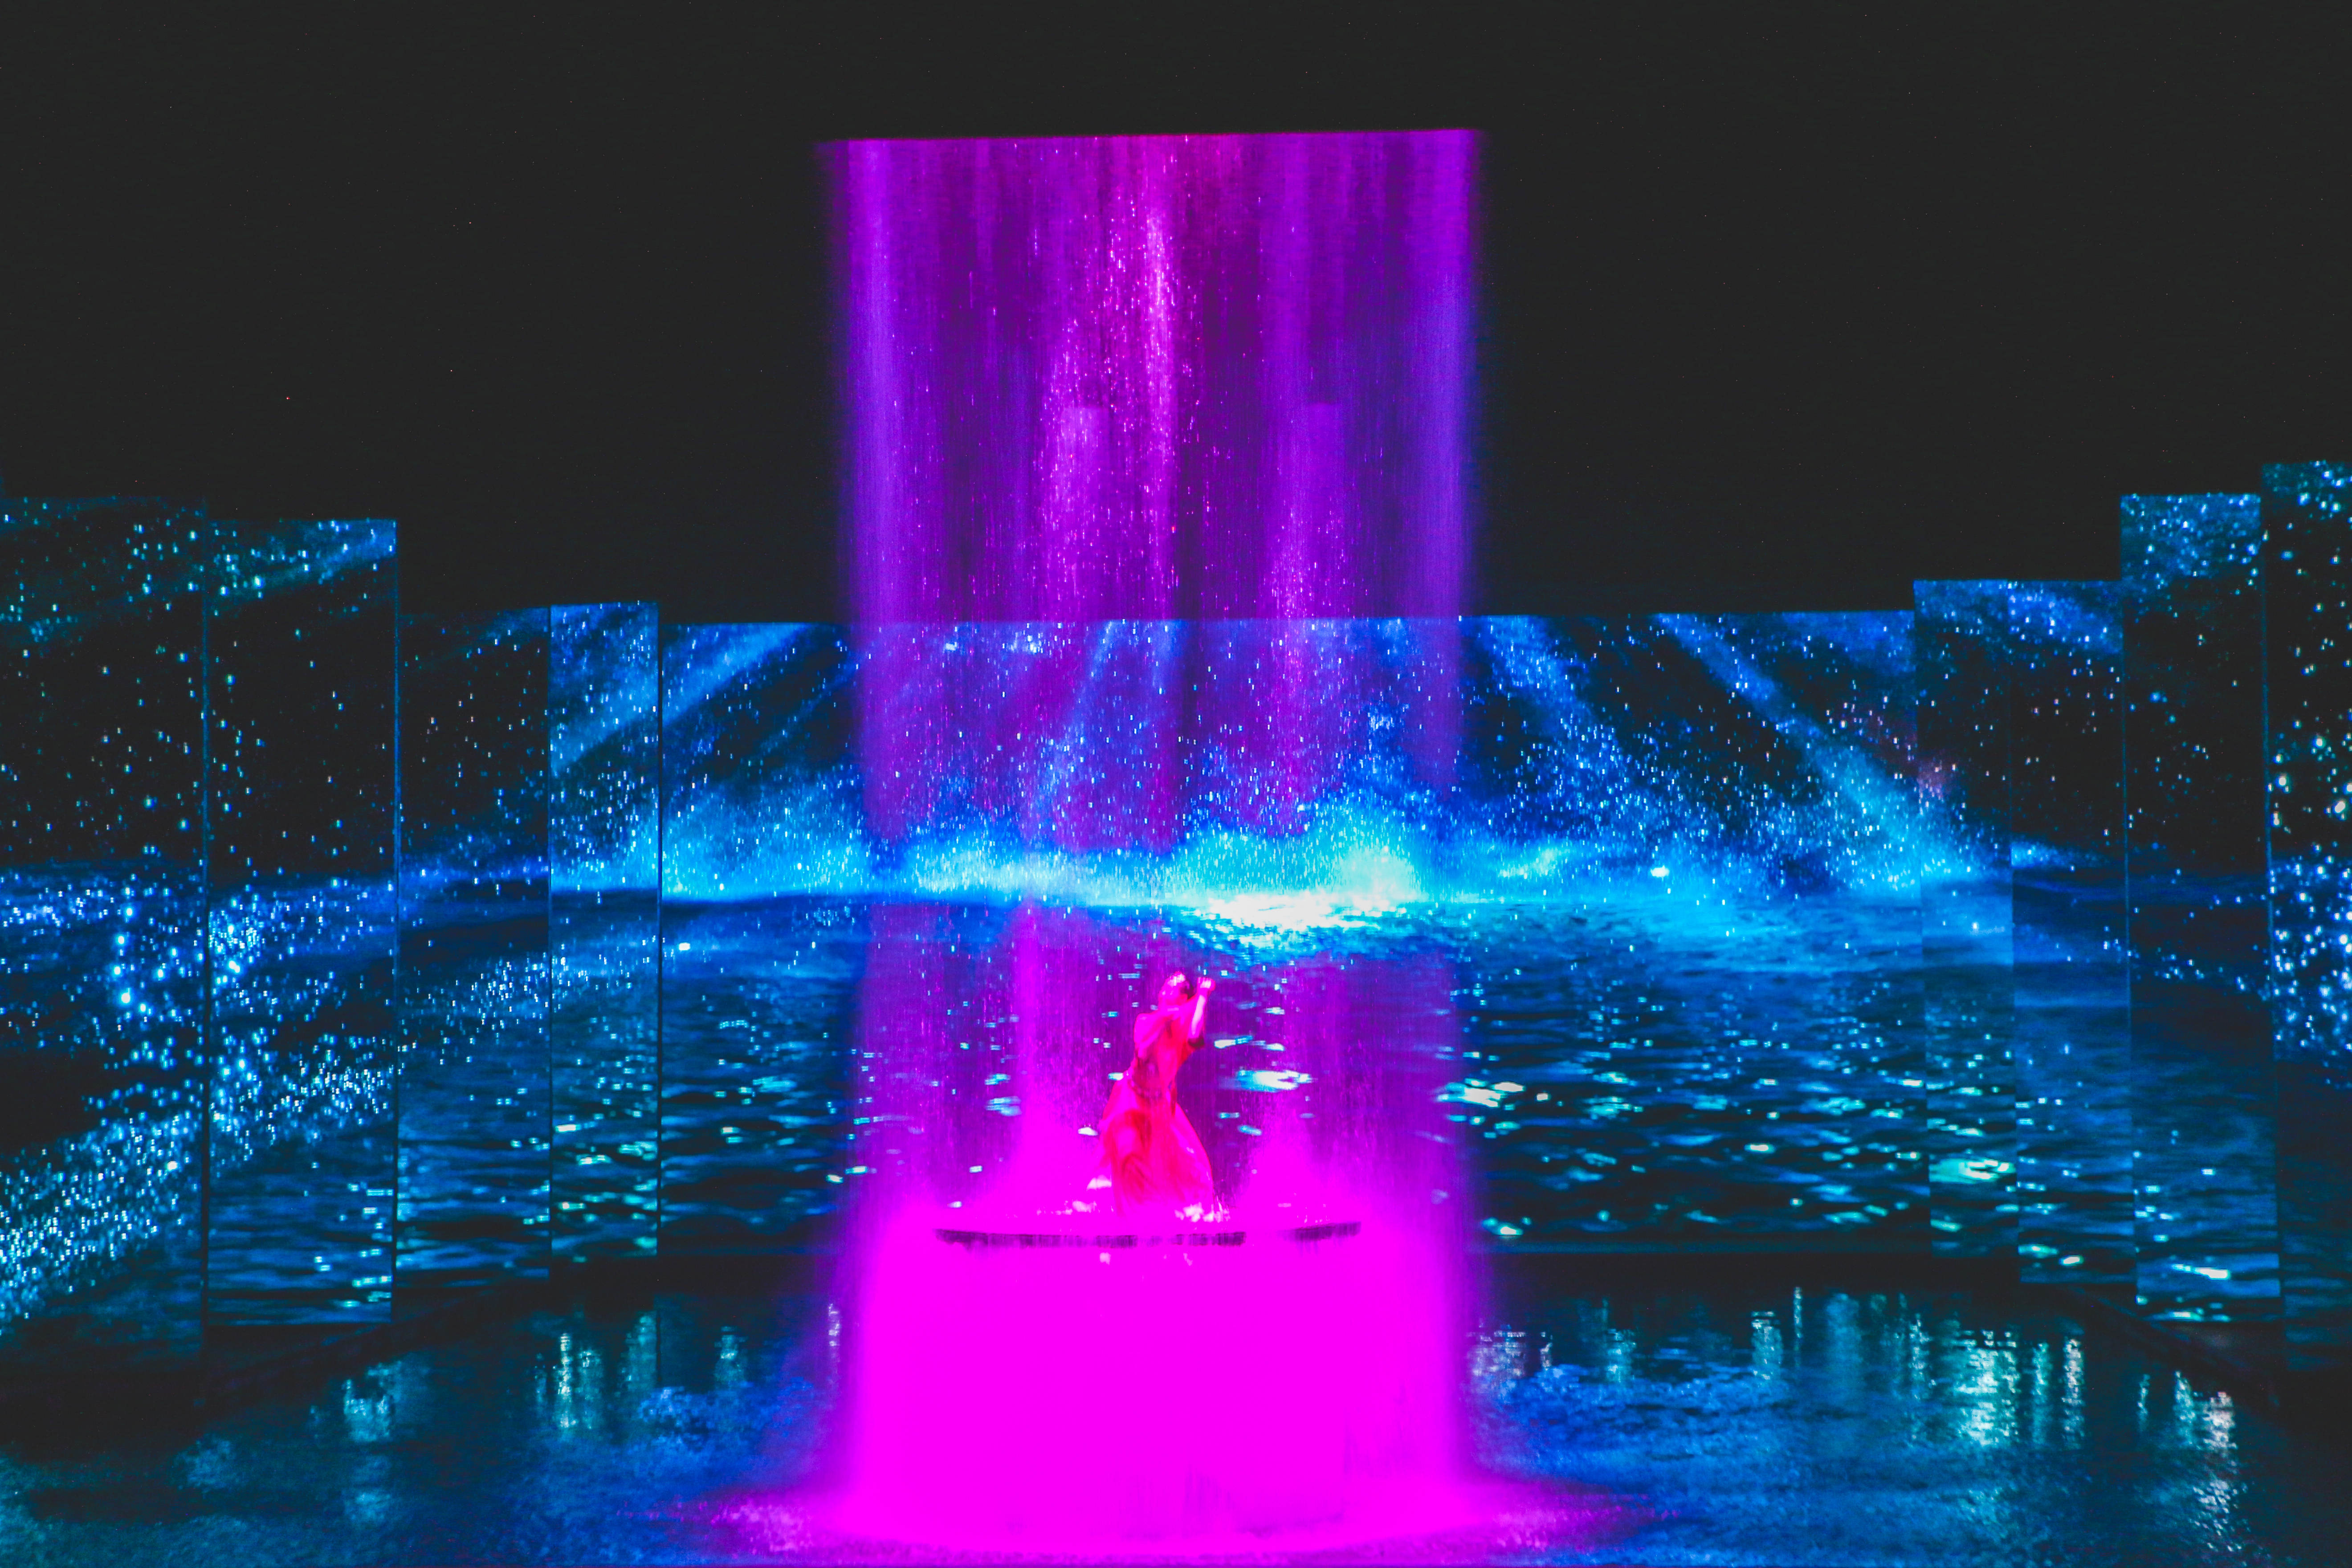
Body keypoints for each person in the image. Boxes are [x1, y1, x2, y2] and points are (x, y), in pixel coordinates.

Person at [1089, 971, 1219, 1219]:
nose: (1164, 990)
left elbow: (1196, 1038)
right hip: (1130, 1102)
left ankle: (1159, 1224)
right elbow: (1144, 1052)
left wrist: (1203, 996)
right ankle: (1131, 1227)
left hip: (1159, 1105)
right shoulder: (1146, 1021)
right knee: (1129, 1160)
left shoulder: (1181, 1030)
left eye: (1173, 987)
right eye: (1165, 986)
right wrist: (1168, 1019)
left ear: (1183, 998)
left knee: (1191, 1169)